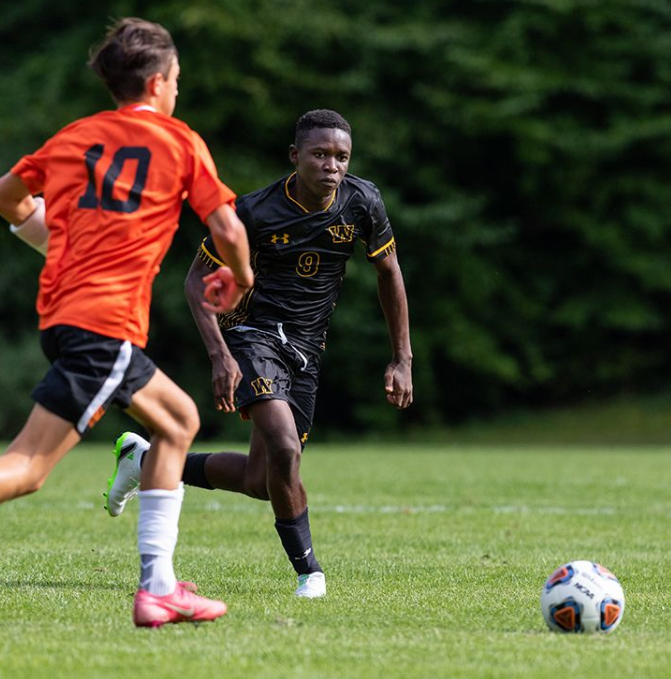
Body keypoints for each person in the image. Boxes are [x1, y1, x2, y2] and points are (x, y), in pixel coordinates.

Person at [0, 17, 254, 627]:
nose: (177, 90)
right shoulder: (178, 141)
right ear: (159, 82)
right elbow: (227, 227)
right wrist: (241, 278)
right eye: (177, 79)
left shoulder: (74, 137)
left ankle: (159, 588)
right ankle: (158, 589)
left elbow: (8, 195)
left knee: (178, 420)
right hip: (103, 322)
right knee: (28, 469)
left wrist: (50, 240)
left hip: (66, 317)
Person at [104, 109, 413, 598]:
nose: (332, 165)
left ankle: (143, 463)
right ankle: (310, 572)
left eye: (341, 156)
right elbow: (194, 282)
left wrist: (402, 358)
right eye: (320, 154)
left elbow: (389, 273)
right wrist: (220, 355)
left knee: (261, 480)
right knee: (285, 449)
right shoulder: (254, 212)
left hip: (308, 348)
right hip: (253, 335)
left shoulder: (363, 201)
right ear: (295, 156)